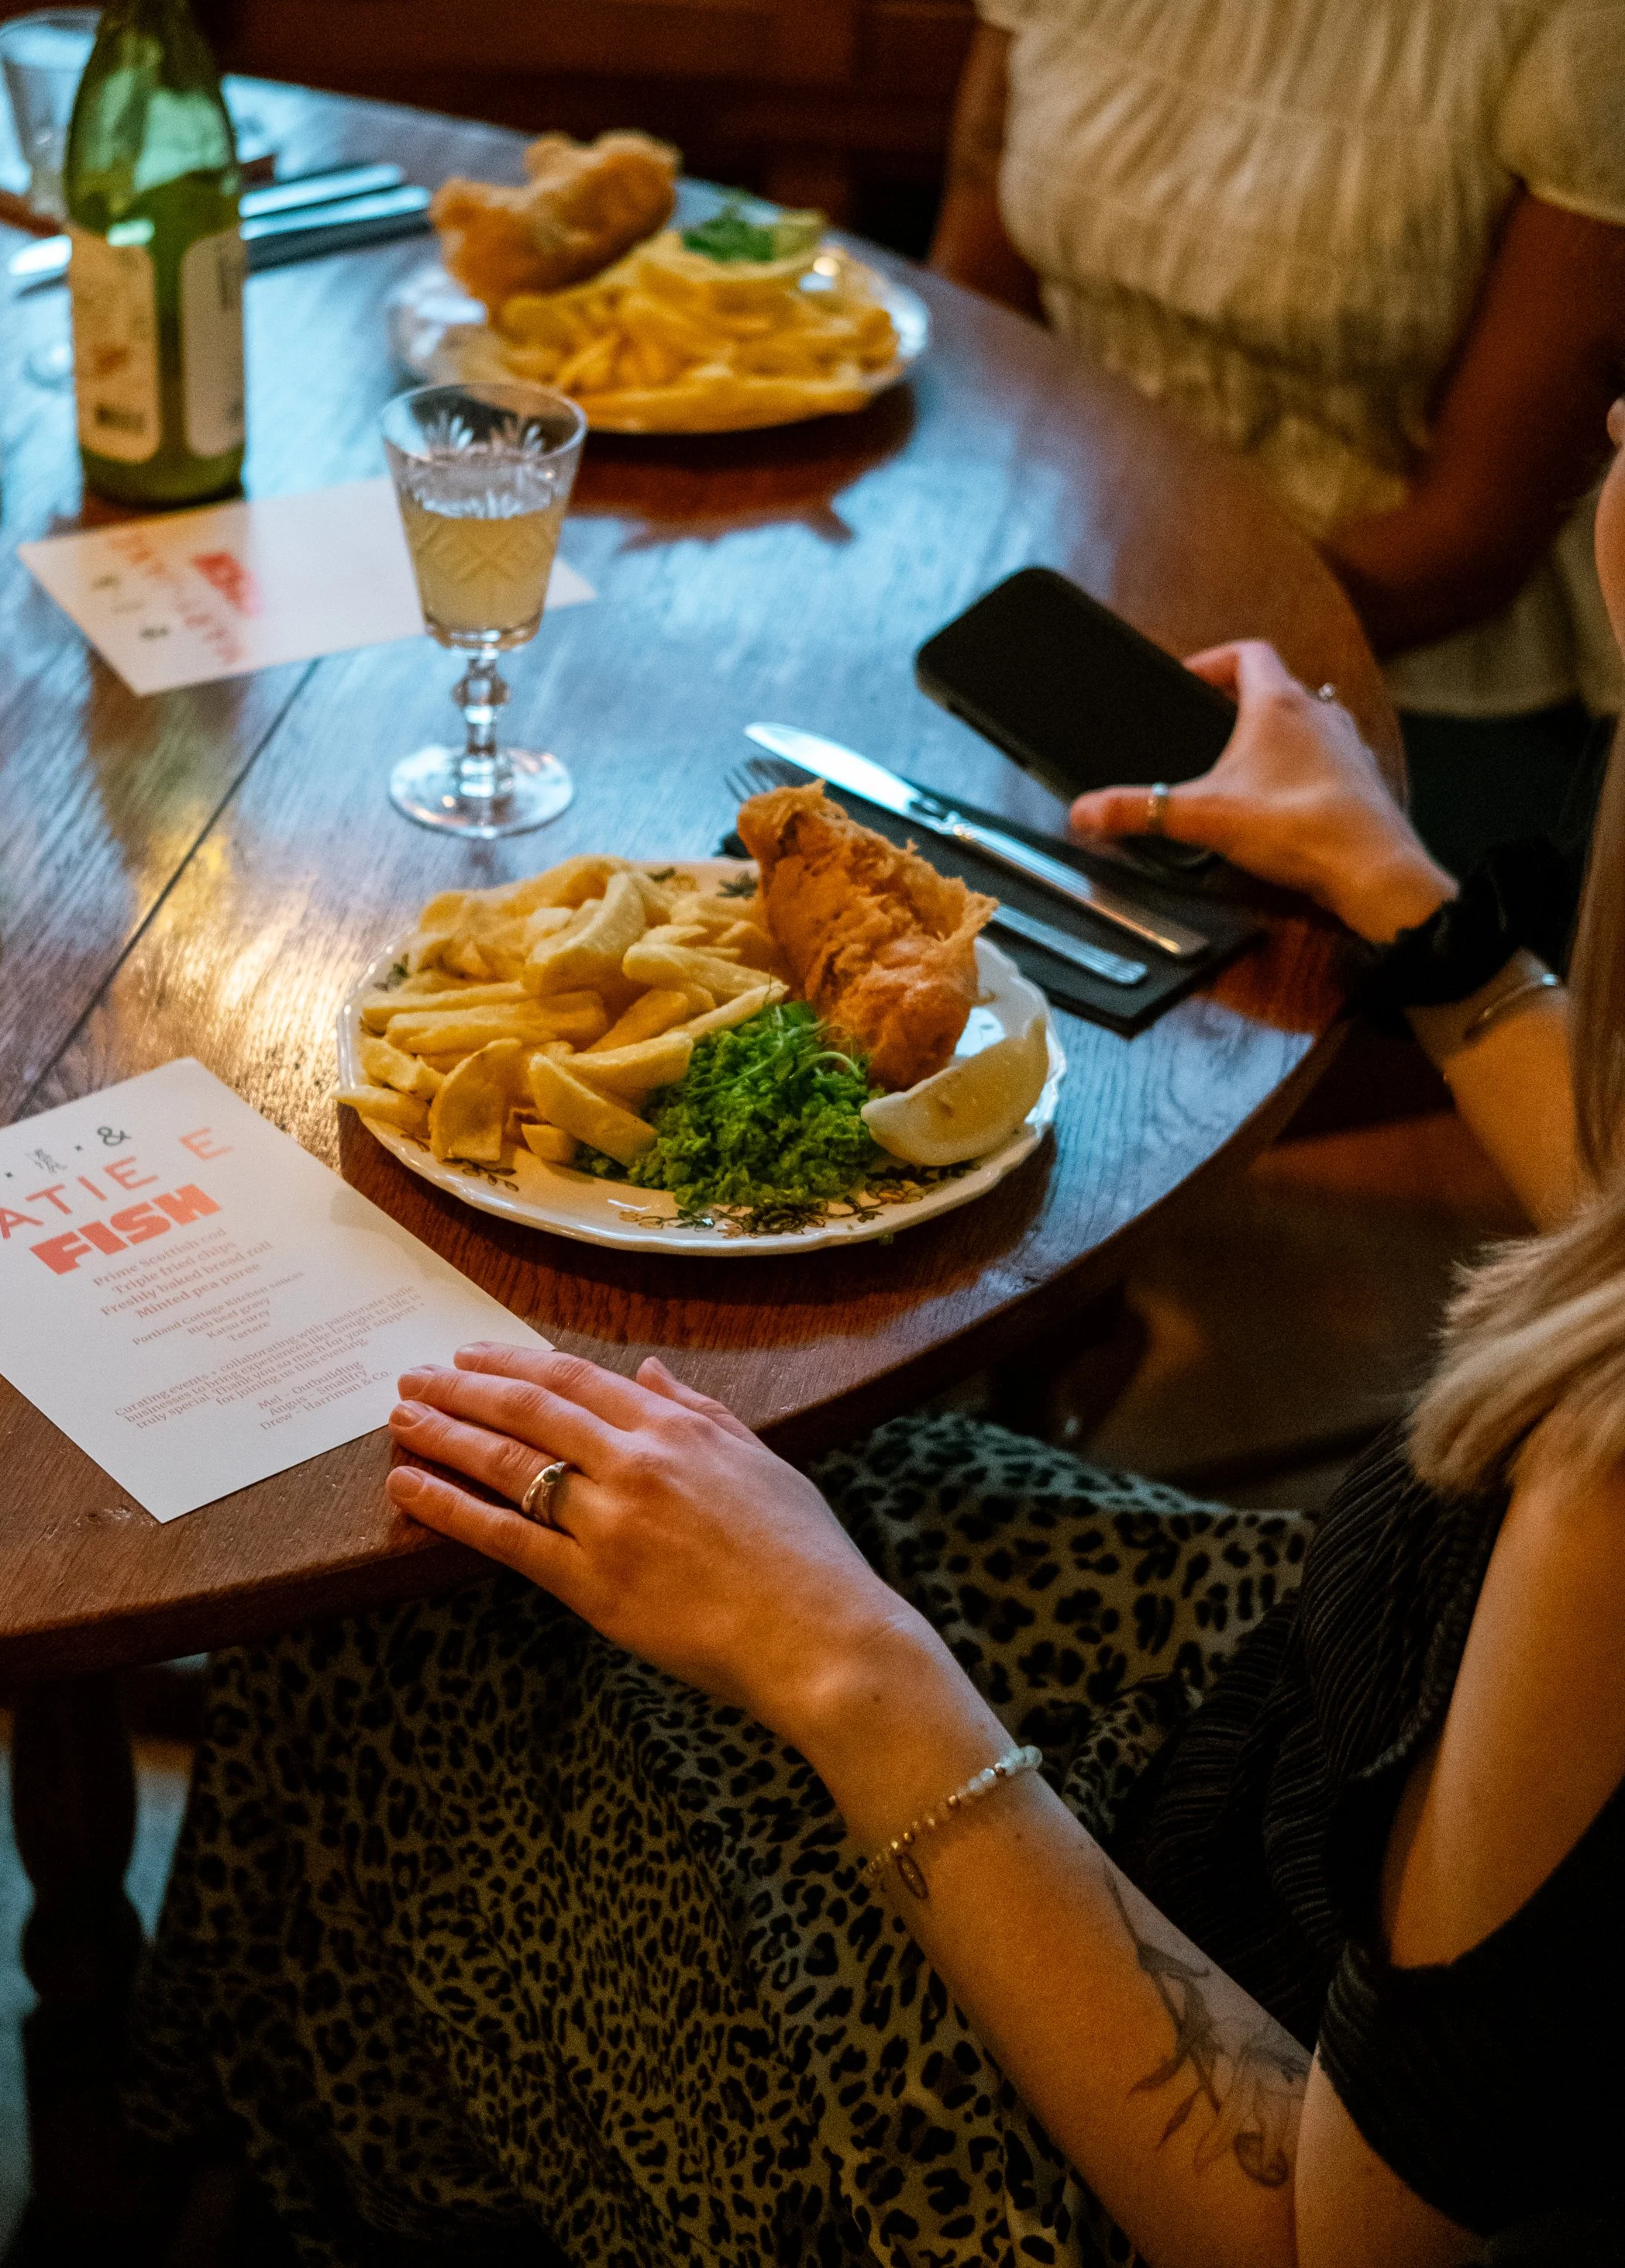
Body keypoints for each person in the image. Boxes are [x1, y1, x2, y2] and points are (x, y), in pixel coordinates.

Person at [126, 405, 1625, 2268]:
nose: (1610, 431)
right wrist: (1412, 908)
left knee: (385, 1617)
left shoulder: (1602, 1500)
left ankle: (288, 2175)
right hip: (1282, 1712)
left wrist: (840, 1646)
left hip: (1122, 2144)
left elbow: (1319, 2238)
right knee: (466, 1489)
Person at [928, 0, 1625, 873]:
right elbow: (977, 310)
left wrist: (1096, 680)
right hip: (1044, 618)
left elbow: (1472, 540)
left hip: (1396, 706)